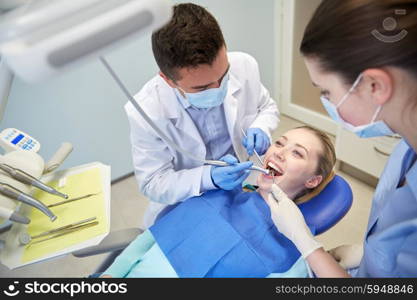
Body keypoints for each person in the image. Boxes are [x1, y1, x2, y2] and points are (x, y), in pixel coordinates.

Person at [266, 0, 417, 277]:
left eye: (326, 92)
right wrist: (366, 253)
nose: (327, 102)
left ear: (375, 86)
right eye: (279, 143)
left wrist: (308, 247)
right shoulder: (406, 150)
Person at [101, 126, 336, 278]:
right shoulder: (219, 193)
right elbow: (149, 239)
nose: (279, 153)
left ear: (313, 180)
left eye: (297, 153)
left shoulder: (296, 252)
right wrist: (109, 276)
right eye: (280, 143)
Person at [126, 3, 279, 228]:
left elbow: (266, 107)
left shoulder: (245, 66)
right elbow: (152, 183)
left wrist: (262, 127)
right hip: (188, 201)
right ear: (167, 79)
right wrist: (209, 178)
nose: (219, 88)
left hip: (241, 186)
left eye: (224, 76)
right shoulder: (145, 111)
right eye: (202, 87)